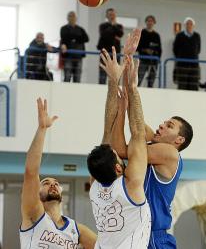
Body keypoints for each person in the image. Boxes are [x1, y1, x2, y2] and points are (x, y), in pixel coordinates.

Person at [111, 76, 193, 247]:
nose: (162, 125)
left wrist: (133, 87)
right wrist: (127, 72)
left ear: (179, 140)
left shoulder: (170, 153)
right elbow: (125, 141)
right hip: (135, 233)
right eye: (164, 122)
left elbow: (131, 136)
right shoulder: (154, 145)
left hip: (153, 238)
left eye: (169, 125)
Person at [87, 29, 151, 248]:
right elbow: (138, 133)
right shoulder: (129, 185)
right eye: (117, 155)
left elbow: (111, 131)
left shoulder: (95, 187)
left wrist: (115, 81)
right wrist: (129, 85)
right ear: (117, 168)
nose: (117, 150)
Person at [20, 98, 96, 249]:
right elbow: (31, 172)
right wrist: (42, 129)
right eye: (46, 183)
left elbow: (104, 245)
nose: (52, 184)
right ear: (38, 191)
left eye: (56, 183)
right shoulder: (34, 214)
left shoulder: (76, 230)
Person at [60, 11, 89, 83]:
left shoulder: (80, 29)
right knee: (67, 76)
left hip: (78, 56)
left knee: (77, 77)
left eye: (73, 16)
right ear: (67, 18)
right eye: (70, 16)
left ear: (76, 18)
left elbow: (86, 39)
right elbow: (64, 37)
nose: (72, 18)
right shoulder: (63, 28)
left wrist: (74, 38)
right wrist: (77, 37)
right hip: (68, 56)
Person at [97, 8, 124, 84]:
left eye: (113, 14)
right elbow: (104, 35)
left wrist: (113, 26)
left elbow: (120, 34)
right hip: (104, 53)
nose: (112, 16)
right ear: (106, 16)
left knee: (115, 75)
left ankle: (115, 92)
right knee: (102, 75)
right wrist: (113, 32)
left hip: (115, 54)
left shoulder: (119, 26)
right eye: (110, 14)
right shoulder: (102, 26)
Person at [173, 17, 201, 90]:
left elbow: (198, 50)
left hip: (194, 65)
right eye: (187, 24)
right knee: (182, 86)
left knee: (194, 86)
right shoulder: (179, 35)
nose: (189, 25)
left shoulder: (197, 36)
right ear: (185, 25)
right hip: (182, 65)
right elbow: (175, 49)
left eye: (191, 24)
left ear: (193, 25)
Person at [137, 15, 162, 87]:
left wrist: (157, 58)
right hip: (143, 60)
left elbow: (159, 49)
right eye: (148, 21)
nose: (150, 23)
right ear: (146, 22)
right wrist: (145, 50)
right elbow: (137, 46)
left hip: (153, 62)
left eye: (151, 21)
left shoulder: (156, 35)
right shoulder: (142, 33)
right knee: (139, 79)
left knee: (151, 81)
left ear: (154, 23)